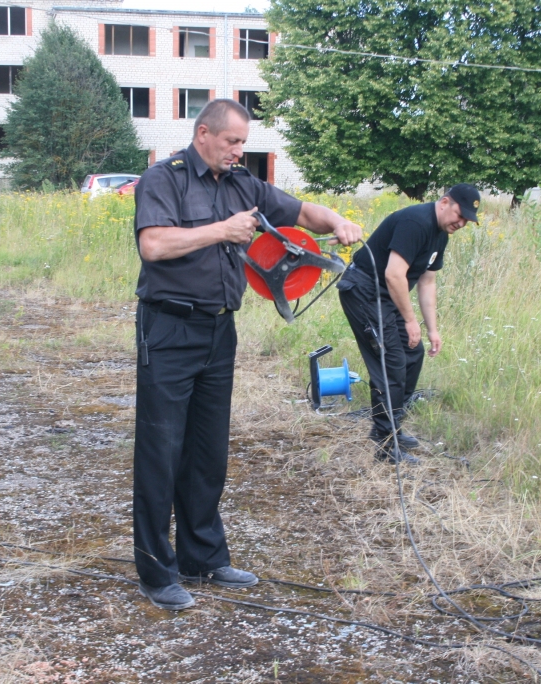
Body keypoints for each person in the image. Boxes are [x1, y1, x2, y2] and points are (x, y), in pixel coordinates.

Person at [131, 99, 362, 611]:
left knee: (208, 449)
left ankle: (203, 557)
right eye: (232, 141)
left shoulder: (244, 185)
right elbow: (154, 245)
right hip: (168, 327)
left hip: (218, 330)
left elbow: (302, 213)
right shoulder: (163, 179)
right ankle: (156, 573)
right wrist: (222, 230)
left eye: (244, 143)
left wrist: (338, 221)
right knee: (161, 450)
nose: (239, 151)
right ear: (204, 133)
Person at [336, 185, 480, 463]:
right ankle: (386, 445)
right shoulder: (416, 222)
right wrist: (410, 320)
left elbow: (427, 281)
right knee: (391, 361)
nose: (461, 223)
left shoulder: (440, 235)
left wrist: (432, 329)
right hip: (364, 289)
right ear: (445, 202)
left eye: (467, 220)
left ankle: (393, 427)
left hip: (386, 295)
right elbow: (393, 275)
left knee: (413, 353)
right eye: (459, 215)